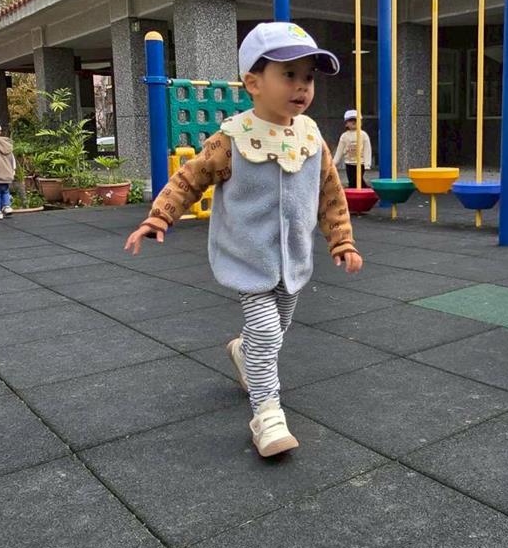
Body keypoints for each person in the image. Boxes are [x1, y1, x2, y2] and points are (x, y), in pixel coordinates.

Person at [125, 22, 363, 456]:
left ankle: (242, 353)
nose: (302, 86)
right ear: (253, 82)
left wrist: (341, 241)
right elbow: (189, 178)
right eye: (288, 74)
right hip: (247, 258)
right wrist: (160, 217)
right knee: (268, 332)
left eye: (308, 77)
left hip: (294, 260)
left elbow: (330, 194)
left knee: (276, 328)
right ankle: (267, 414)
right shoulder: (233, 139)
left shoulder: (311, 138)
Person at [333, 109, 372, 188]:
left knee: (356, 180)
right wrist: (334, 163)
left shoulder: (363, 135)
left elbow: (367, 150)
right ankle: (363, 190)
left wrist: (367, 164)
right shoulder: (344, 136)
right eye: (350, 120)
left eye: (356, 120)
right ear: (346, 124)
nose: (354, 122)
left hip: (360, 163)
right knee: (352, 180)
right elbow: (339, 150)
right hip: (349, 163)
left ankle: (364, 190)